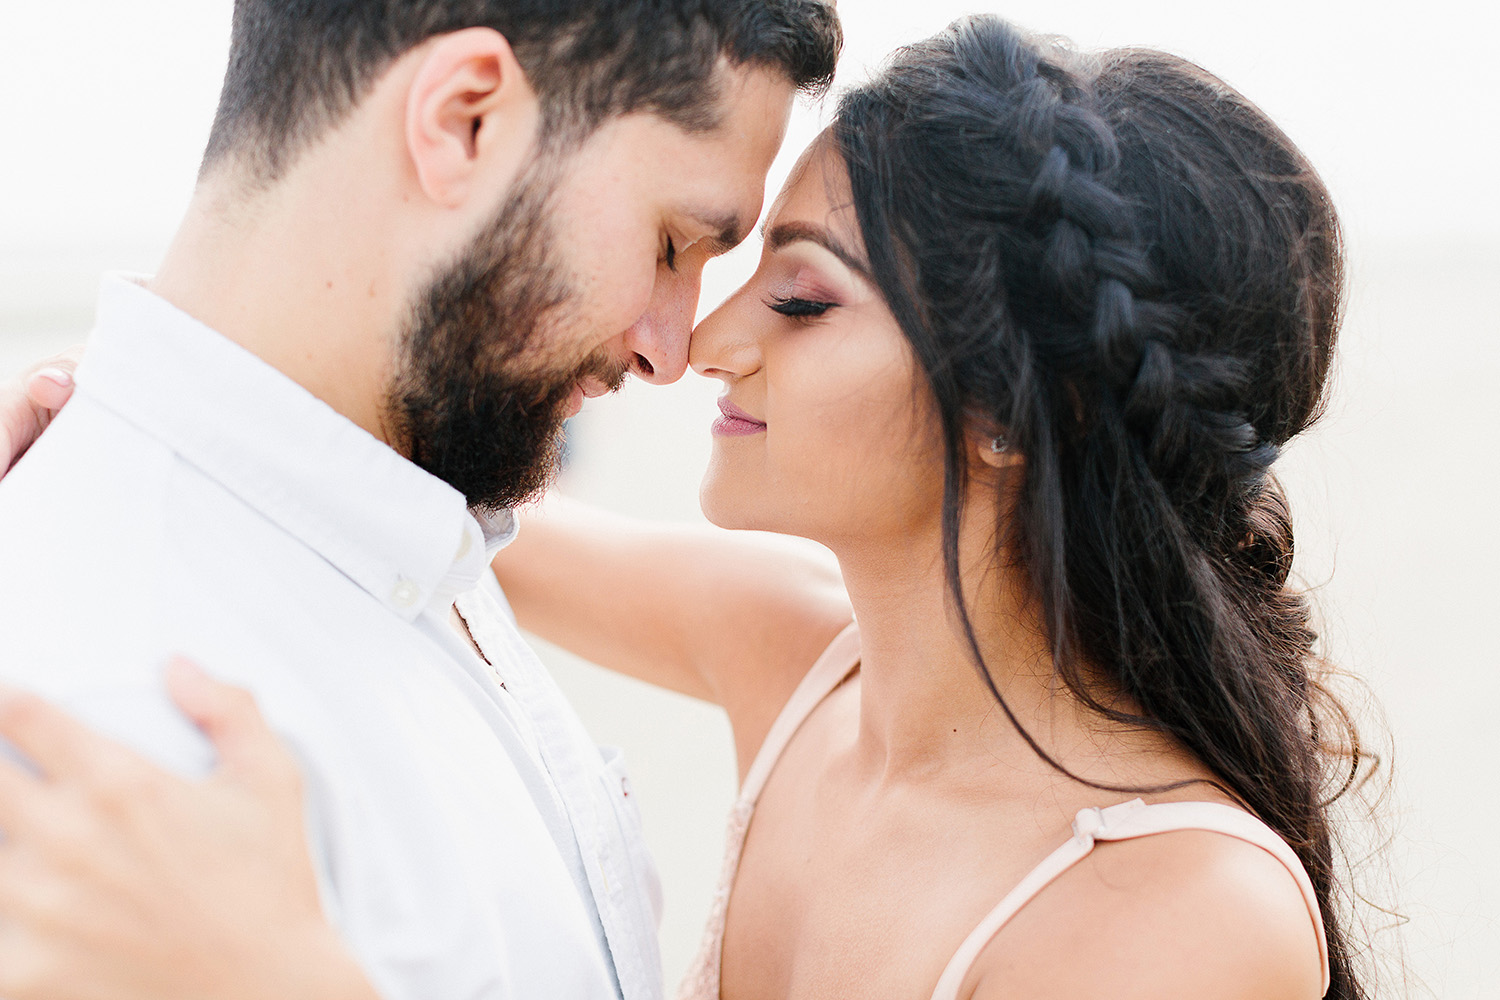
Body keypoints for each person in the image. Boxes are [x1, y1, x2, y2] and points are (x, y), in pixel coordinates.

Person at [0, 14, 1372, 1000]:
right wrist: (109, 410)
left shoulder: (1184, 918)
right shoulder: (792, 656)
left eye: (798, 295)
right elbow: (371, 504)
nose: (698, 341)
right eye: (687, 248)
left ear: (1018, 413)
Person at [0, 2, 841, 999]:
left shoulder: (410, 517)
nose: (670, 348)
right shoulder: (115, 745)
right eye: (670, 244)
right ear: (463, 120)